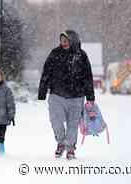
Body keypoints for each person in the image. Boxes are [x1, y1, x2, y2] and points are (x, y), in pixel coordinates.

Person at [38, 30, 95, 160]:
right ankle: (60, 142)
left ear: (73, 40)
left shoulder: (81, 55)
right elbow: (46, 72)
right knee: (55, 121)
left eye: (66, 40)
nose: (63, 43)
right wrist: (42, 91)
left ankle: (70, 148)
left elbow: (87, 77)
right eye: (61, 40)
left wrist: (90, 97)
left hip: (77, 96)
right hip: (56, 95)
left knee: (73, 124)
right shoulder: (55, 53)